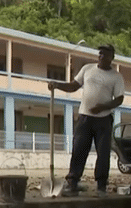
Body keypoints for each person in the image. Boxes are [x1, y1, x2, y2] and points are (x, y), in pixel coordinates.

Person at [48, 44, 125, 197]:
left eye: (106, 54)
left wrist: (103, 107)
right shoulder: (87, 69)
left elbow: (119, 99)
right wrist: (57, 85)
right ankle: (73, 183)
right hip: (84, 118)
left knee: (103, 154)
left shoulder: (116, 77)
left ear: (112, 58)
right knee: (79, 150)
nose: (102, 56)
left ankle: (101, 186)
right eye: (100, 53)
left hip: (103, 120)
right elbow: (73, 86)